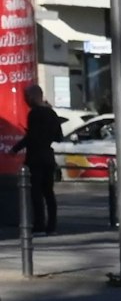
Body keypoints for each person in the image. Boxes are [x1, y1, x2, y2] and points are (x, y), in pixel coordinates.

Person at [11, 85, 65, 234]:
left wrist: (15, 149)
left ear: (33, 97)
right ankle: (51, 225)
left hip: (35, 157)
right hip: (48, 157)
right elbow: (59, 137)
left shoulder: (33, 114)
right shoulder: (52, 113)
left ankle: (39, 224)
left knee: (36, 192)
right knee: (48, 192)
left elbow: (31, 137)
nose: (26, 100)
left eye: (27, 97)